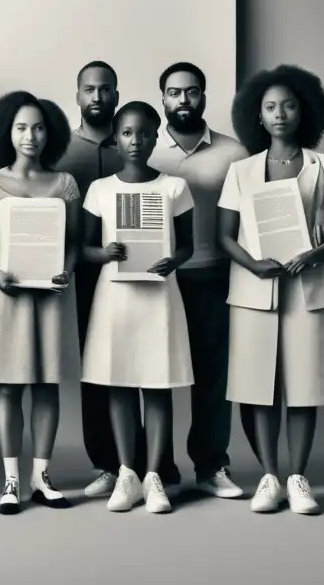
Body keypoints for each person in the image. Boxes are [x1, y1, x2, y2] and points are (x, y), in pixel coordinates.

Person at [218, 64, 324, 515]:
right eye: (270, 106)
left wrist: (314, 256)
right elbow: (225, 235)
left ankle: (298, 477)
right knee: (260, 387)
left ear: (304, 112)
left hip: (307, 285)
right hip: (256, 290)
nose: (279, 114)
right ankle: (268, 477)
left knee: (303, 386)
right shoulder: (241, 171)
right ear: (257, 115)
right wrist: (253, 264)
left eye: (289, 105)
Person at [55, 61, 182, 498]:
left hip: (149, 282)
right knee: (105, 373)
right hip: (93, 280)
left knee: (153, 373)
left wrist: (170, 259)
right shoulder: (61, 152)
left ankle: (156, 467)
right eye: (89, 88)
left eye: (105, 89)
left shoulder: (158, 173)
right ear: (77, 95)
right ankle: (110, 465)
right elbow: (74, 234)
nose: (97, 96)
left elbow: (178, 234)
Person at [0, 91, 82, 515]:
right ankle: (11, 479)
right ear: (7, 132)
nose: (30, 135)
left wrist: (68, 272)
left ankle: (42, 476)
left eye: (37, 127)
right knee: (9, 386)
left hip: (52, 295)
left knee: (48, 385)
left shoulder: (65, 182)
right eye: (21, 127)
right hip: (8, 294)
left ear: (48, 133)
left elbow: (73, 244)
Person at [81, 101, 196, 514]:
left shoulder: (174, 187)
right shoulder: (100, 189)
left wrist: (174, 262)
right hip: (116, 296)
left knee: (158, 383)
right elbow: (84, 249)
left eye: (144, 133)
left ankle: (154, 477)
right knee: (120, 382)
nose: (135, 141)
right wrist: (105, 252)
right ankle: (127, 473)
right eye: (127, 133)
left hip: (159, 296)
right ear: (116, 137)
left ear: (155, 136)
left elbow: (188, 245)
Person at [146, 61, 249, 501]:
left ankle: (211, 466)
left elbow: (251, 220)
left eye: (191, 92)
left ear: (204, 96)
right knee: (159, 375)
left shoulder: (234, 154)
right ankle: (161, 471)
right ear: (162, 98)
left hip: (215, 276)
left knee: (213, 376)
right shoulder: (145, 150)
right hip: (158, 280)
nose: (182, 100)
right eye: (173, 92)